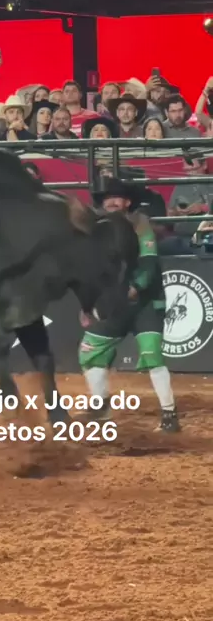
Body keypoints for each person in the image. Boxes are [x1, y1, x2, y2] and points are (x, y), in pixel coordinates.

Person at [79, 177, 180, 433]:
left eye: (117, 197)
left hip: (145, 302)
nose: (111, 202)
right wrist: (88, 302)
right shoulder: (97, 228)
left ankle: (169, 414)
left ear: (127, 202)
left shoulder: (140, 224)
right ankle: (100, 407)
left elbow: (149, 262)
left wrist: (135, 287)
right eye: (107, 198)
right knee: (90, 352)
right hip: (115, 302)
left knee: (152, 355)